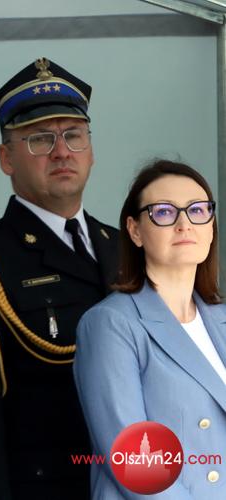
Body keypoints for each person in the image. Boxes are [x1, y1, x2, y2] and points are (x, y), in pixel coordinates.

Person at [0, 57, 120, 500]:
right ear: (6, 158)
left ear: (91, 150)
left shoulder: (126, 247)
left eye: (74, 135)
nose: (62, 152)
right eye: (40, 139)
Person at [75, 160, 225, 499]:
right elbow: (138, 464)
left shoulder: (221, 319)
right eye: (164, 212)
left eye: (198, 210)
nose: (185, 224)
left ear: (211, 226)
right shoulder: (110, 324)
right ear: (135, 230)